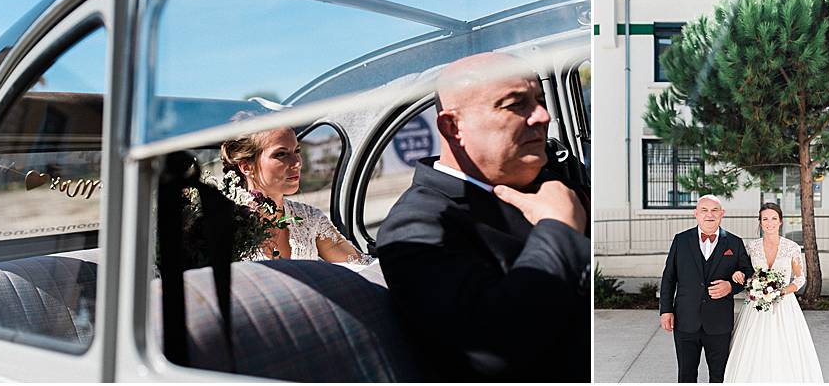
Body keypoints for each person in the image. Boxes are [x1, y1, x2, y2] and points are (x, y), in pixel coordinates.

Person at [374, 52, 590, 382]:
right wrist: (559, 228)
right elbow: (494, 347)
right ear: (453, 126)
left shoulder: (555, 183)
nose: (542, 116)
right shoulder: (418, 225)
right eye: (516, 104)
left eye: (539, 100)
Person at [220, 125, 369, 263]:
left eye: (297, 151)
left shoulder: (309, 218)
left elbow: (360, 265)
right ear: (247, 167)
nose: (297, 162)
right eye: (281, 154)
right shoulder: (224, 225)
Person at [724, 202, 823, 382]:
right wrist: (738, 274)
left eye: (773, 218)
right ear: (760, 222)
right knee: (752, 348)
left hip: (784, 305)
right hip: (755, 306)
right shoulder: (751, 247)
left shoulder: (791, 247)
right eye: (765, 219)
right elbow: (743, 272)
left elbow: (800, 278)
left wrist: (781, 292)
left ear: (780, 222)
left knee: (785, 348)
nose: (769, 223)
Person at [659, 195, 754, 383]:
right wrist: (666, 310)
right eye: (704, 210)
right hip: (685, 320)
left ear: (722, 214)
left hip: (719, 323)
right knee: (686, 375)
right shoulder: (681, 240)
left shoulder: (734, 242)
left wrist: (731, 286)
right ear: (696, 214)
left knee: (719, 376)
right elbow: (669, 277)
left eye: (714, 210)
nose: (709, 215)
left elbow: (747, 272)